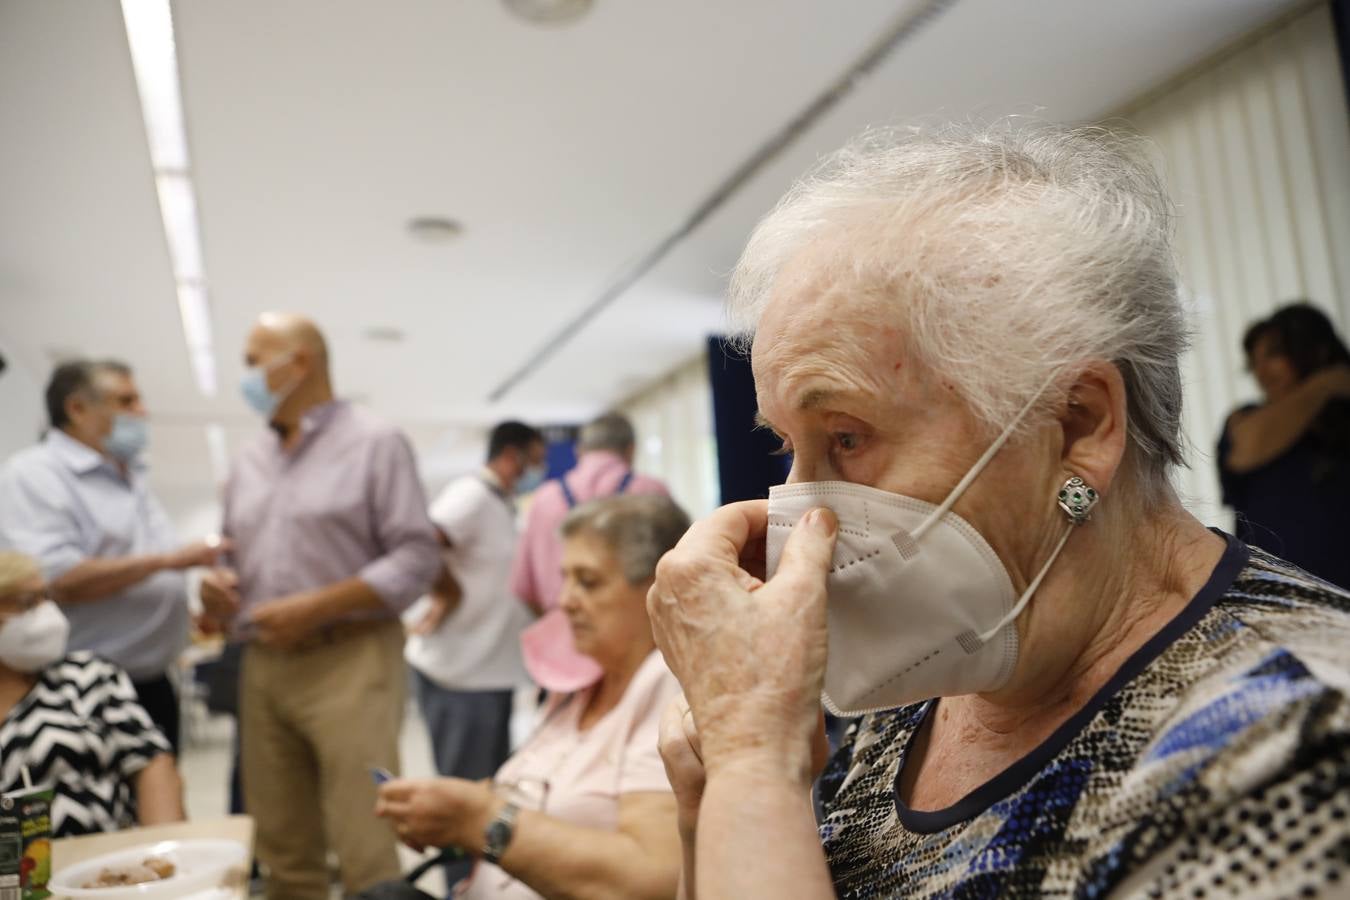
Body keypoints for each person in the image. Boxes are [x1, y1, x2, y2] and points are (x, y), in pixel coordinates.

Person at [645, 122, 1350, 898]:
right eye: (787, 448)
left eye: (846, 437)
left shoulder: (1301, 743)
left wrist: (754, 756)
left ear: (1078, 426)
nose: (799, 514)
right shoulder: (938, 672)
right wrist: (713, 807)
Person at [199, 312, 441, 900]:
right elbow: (230, 559)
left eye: (255, 360)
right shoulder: (247, 463)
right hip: (263, 665)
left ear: (299, 363)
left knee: (365, 840)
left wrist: (319, 605)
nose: (248, 376)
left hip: (351, 659)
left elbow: (416, 557)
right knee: (282, 847)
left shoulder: (375, 443)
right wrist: (214, 590)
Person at [377, 494, 688, 900]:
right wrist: (447, 812)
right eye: (566, 579)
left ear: (655, 588)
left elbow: (653, 878)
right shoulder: (577, 687)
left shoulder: (668, 689)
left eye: (588, 582)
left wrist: (478, 819)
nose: (564, 601)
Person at [0, 359, 225, 754]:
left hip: (150, 682)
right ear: (77, 409)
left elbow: (142, 571)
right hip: (77, 690)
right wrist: (170, 562)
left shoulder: (128, 476)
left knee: (156, 806)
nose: (142, 411)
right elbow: (59, 578)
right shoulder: (34, 476)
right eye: (126, 400)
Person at [404, 420, 545, 889]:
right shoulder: (470, 495)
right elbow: (420, 542)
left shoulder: (500, 504)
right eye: (535, 460)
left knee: (486, 799)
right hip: (459, 675)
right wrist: (444, 594)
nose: (538, 471)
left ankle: (480, 888)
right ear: (511, 458)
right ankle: (462, 890)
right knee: (463, 804)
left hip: (487, 673)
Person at [0, 551, 184, 837]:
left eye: (45, 597)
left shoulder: (87, 676)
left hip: (103, 864)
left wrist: (164, 850)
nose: (46, 613)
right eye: (27, 602)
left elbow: (151, 762)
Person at [511, 413, 668, 691]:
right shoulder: (651, 493)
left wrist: (561, 623)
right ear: (630, 449)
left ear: (579, 451)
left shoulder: (544, 499)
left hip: (561, 661)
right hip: (639, 659)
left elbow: (524, 586)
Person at [1218, 302, 1350, 588]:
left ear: (1315, 352)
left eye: (1274, 355)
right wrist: (1327, 383)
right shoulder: (1246, 419)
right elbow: (1245, 451)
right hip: (1273, 598)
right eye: (1255, 361)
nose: (1261, 370)